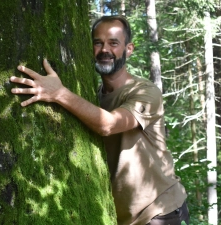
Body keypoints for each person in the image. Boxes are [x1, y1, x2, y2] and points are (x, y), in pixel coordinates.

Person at [10, 15, 189, 225]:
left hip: (160, 212)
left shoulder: (145, 92)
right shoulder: (93, 97)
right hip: (122, 219)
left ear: (128, 49)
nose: (105, 50)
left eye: (113, 43)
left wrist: (58, 93)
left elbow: (108, 124)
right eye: (98, 43)